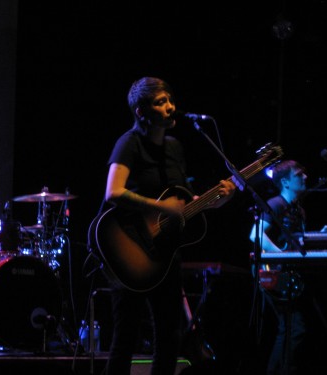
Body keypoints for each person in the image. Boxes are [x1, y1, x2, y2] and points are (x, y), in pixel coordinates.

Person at [96, 76, 235, 375]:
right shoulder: (128, 143)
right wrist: (161, 207)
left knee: (170, 336)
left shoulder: (174, 148)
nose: (171, 107)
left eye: (170, 100)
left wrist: (216, 200)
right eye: (161, 102)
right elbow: (113, 192)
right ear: (141, 112)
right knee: (126, 337)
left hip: (164, 253)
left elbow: (184, 202)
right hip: (128, 247)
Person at [249, 159, 308, 375]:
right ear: (285, 182)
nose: (305, 177)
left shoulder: (298, 211)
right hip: (273, 273)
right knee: (293, 328)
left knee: (290, 328)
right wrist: (281, 253)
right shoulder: (276, 204)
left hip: (286, 274)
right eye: (299, 174)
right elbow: (255, 234)